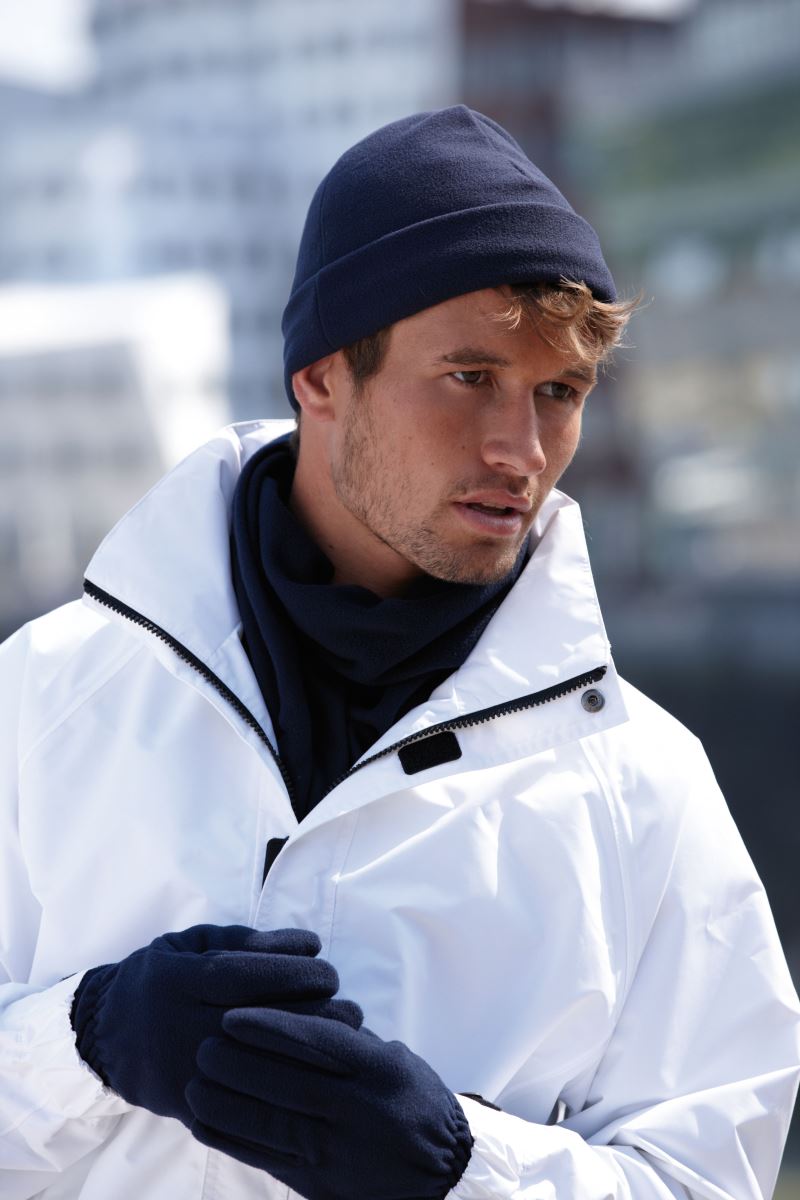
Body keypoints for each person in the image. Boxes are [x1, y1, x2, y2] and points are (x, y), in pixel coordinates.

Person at [0, 106, 797, 1200]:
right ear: (323, 376)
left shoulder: (643, 787)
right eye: (470, 377)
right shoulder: (45, 697)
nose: (521, 451)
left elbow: (706, 1181)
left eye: (558, 393)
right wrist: (85, 1041)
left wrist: (454, 1169)